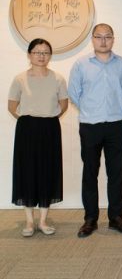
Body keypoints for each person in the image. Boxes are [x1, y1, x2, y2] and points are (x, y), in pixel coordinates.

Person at [68, 23, 122, 238]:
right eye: (99, 37)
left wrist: (111, 108)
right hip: (90, 125)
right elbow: (74, 94)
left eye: (108, 37)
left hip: (115, 124)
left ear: (113, 39)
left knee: (116, 173)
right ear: (93, 39)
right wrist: (92, 109)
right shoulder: (81, 64)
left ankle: (116, 218)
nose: (103, 41)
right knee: (90, 173)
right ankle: (90, 219)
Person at [8, 39, 68, 237]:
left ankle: (42, 220)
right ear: (29, 55)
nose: (41, 56)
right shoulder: (20, 79)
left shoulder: (58, 79)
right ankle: (28, 221)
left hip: (50, 128)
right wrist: (29, 119)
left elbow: (63, 105)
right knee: (27, 172)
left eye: (45, 52)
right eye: (37, 52)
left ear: (50, 55)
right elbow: (12, 106)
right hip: (27, 129)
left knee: (47, 171)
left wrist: (46, 118)